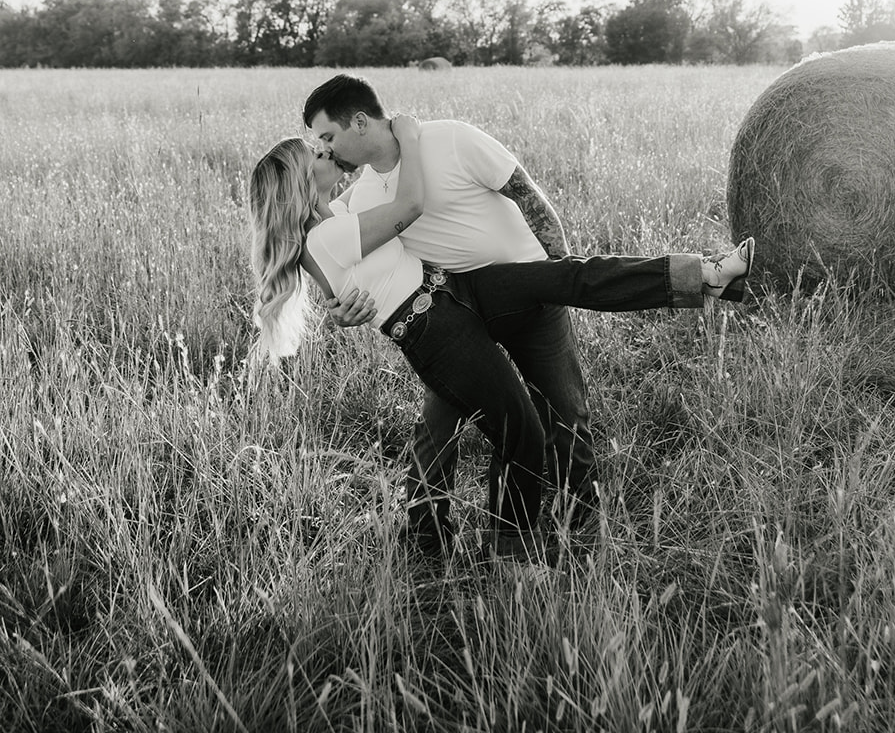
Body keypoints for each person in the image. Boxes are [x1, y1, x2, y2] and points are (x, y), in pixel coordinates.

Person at [248, 113, 753, 557]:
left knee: (565, 276)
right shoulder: (327, 234)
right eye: (316, 151)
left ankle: (703, 277)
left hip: (454, 291)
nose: (327, 152)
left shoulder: (335, 219)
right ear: (299, 183)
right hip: (435, 326)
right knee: (520, 433)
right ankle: (511, 555)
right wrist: (410, 135)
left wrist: (342, 306)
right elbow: (409, 205)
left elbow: (350, 270)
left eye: (324, 141)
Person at [302, 74, 599, 554]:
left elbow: (528, 196)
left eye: (329, 137)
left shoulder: (452, 139)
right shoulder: (361, 198)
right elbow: (339, 258)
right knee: (438, 427)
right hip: (456, 313)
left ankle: (578, 522)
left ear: (359, 122)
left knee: (564, 411)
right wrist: (341, 307)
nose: (327, 150)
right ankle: (427, 538)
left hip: (529, 296)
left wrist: (558, 276)